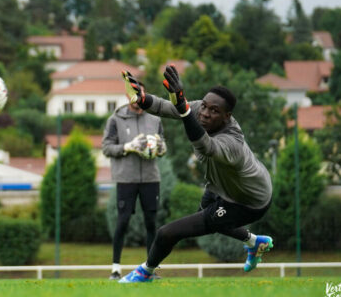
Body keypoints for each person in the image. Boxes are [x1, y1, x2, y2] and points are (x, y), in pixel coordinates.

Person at [118, 65, 273, 283]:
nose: (205, 113)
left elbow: (204, 145)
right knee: (206, 216)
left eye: (214, 111)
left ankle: (145, 272)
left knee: (166, 233)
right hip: (220, 186)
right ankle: (254, 242)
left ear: (227, 117)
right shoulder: (201, 108)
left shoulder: (232, 143)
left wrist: (183, 109)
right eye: (205, 107)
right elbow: (168, 107)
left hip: (249, 201)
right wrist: (143, 99)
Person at [102, 98, 167, 280]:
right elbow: (106, 148)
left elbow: (162, 144)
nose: (136, 98)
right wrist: (128, 147)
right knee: (122, 222)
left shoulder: (155, 120)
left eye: (139, 94)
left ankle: (150, 270)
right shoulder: (115, 119)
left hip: (150, 178)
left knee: (151, 223)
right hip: (126, 178)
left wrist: (161, 148)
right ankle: (115, 269)